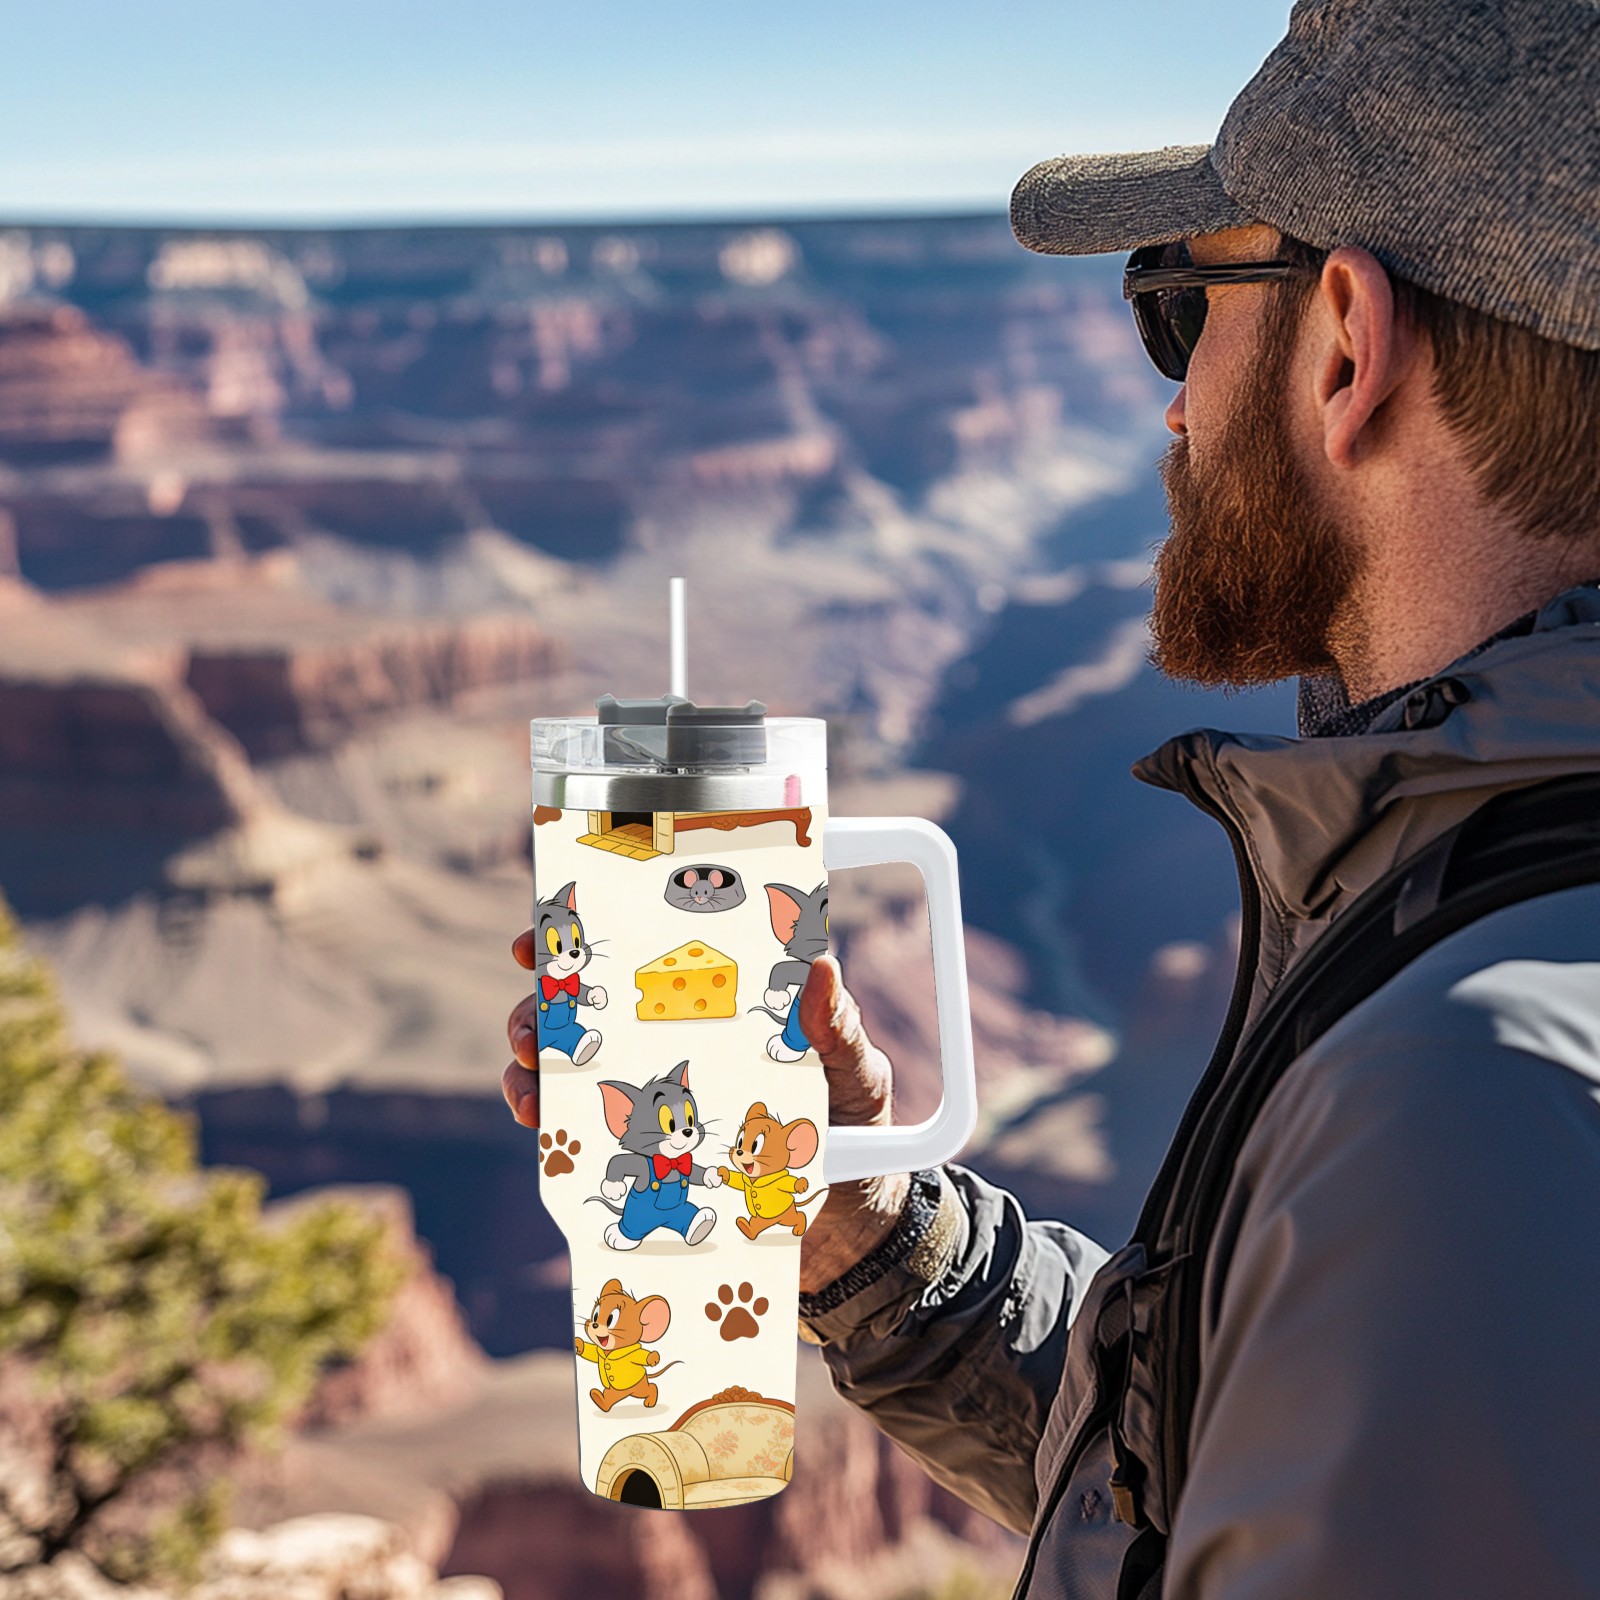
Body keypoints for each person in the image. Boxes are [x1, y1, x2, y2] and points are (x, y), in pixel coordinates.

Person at [504, 0, 1600, 1592]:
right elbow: (1236, 1473)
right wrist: (863, 1229)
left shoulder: (1460, 1103)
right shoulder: (1493, 970)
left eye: (1182, 305)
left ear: (1347, 344)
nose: (1173, 402)